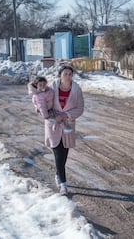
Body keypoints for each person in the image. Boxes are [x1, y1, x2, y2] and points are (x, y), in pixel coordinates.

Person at [45, 65, 84, 196]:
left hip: (68, 125)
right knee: (58, 152)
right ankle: (63, 184)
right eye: (65, 74)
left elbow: (80, 108)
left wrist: (65, 115)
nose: (68, 76)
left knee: (65, 152)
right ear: (60, 75)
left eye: (70, 74)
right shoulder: (51, 88)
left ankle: (58, 173)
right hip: (53, 124)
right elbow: (43, 105)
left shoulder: (77, 89)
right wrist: (54, 115)